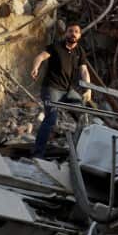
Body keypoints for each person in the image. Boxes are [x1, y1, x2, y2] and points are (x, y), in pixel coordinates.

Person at [29, 23, 92, 159]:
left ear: (79, 36)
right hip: (51, 88)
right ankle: (37, 154)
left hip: (68, 91)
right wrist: (35, 68)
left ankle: (76, 156)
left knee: (83, 115)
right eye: (70, 31)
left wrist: (88, 89)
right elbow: (40, 57)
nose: (73, 34)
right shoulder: (56, 47)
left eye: (76, 31)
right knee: (51, 118)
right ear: (66, 33)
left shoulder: (79, 51)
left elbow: (84, 70)